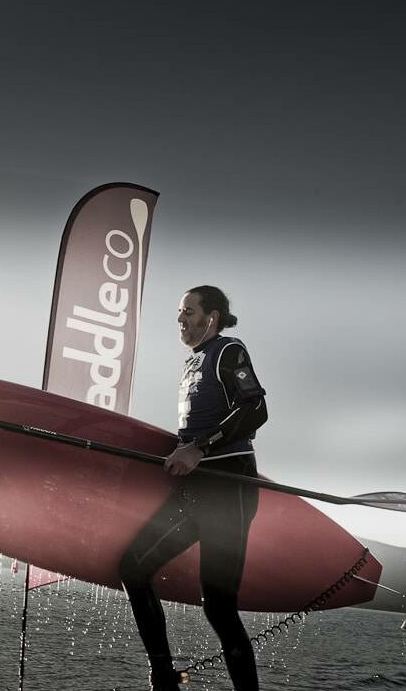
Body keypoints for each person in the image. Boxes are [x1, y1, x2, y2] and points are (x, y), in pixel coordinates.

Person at [119, 285, 268, 691]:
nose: (180, 319)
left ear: (211, 317)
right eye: (179, 312)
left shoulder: (228, 350)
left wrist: (199, 448)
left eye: (188, 311)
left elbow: (255, 408)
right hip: (198, 484)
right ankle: (163, 678)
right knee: (134, 568)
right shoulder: (193, 361)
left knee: (218, 607)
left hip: (228, 485)